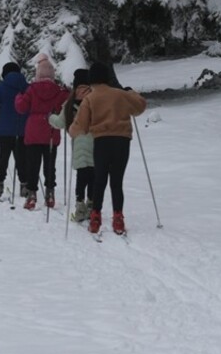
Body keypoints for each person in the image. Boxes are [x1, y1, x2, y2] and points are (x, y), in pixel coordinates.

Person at [69, 62, 147, 235]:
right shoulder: (120, 94)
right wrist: (131, 92)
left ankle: (95, 216)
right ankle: (118, 218)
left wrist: (72, 131)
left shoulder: (91, 98)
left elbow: (81, 125)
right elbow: (140, 106)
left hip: (102, 141)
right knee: (117, 181)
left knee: (100, 180)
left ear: (92, 80)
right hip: (122, 141)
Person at [14, 53, 69, 210]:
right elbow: (65, 103)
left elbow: (21, 107)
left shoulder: (31, 89)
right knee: (50, 165)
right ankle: (50, 193)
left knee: (33, 164)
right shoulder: (58, 90)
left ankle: (32, 195)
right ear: (52, 75)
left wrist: (19, 96)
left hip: (33, 132)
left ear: (38, 74)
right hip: (51, 130)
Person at [49, 68, 93, 221]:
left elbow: (60, 123)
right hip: (96, 142)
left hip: (79, 143)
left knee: (82, 176)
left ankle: (80, 205)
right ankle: (91, 205)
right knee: (94, 176)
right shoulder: (95, 98)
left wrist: (50, 117)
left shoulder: (70, 102)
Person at [0, 62, 28, 198]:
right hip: (22, 128)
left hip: (6, 128)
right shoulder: (27, 87)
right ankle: (25, 185)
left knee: (3, 157)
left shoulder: (1, 87)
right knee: (22, 158)